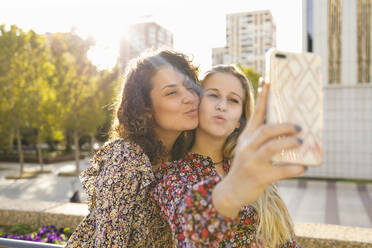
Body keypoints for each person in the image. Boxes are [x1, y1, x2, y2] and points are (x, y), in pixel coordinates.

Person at [151, 65, 305, 247]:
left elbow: (286, 240)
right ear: (197, 105)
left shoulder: (252, 167)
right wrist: (232, 193)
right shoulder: (172, 177)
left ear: (240, 121)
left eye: (233, 100)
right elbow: (190, 233)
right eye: (213, 95)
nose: (222, 106)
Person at [65, 49, 201, 247]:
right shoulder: (125, 158)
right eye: (172, 92)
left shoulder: (183, 159)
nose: (189, 98)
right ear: (146, 107)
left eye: (191, 87)